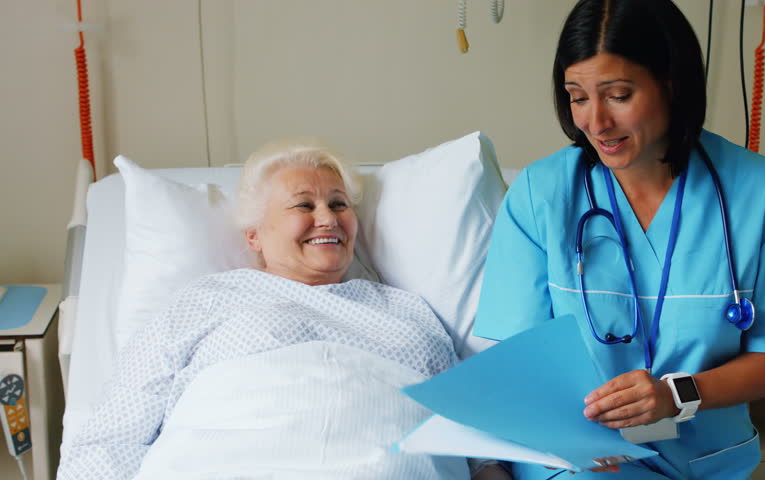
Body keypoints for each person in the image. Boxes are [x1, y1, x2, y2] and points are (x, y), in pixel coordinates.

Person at [473, 1, 765, 479]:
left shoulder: (756, 191)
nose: (595, 121)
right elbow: (522, 359)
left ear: (671, 83)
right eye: (577, 96)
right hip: (583, 460)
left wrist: (674, 395)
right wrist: (569, 440)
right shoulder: (541, 195)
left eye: (618, 95)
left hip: (706, 458)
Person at [58, 139, 504, 479]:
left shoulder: (408, 311)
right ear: (254, 235)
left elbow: (472, 436)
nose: (327, 218)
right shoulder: (205, 300)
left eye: (339, 203)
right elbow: (112, 436)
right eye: (303, 205)